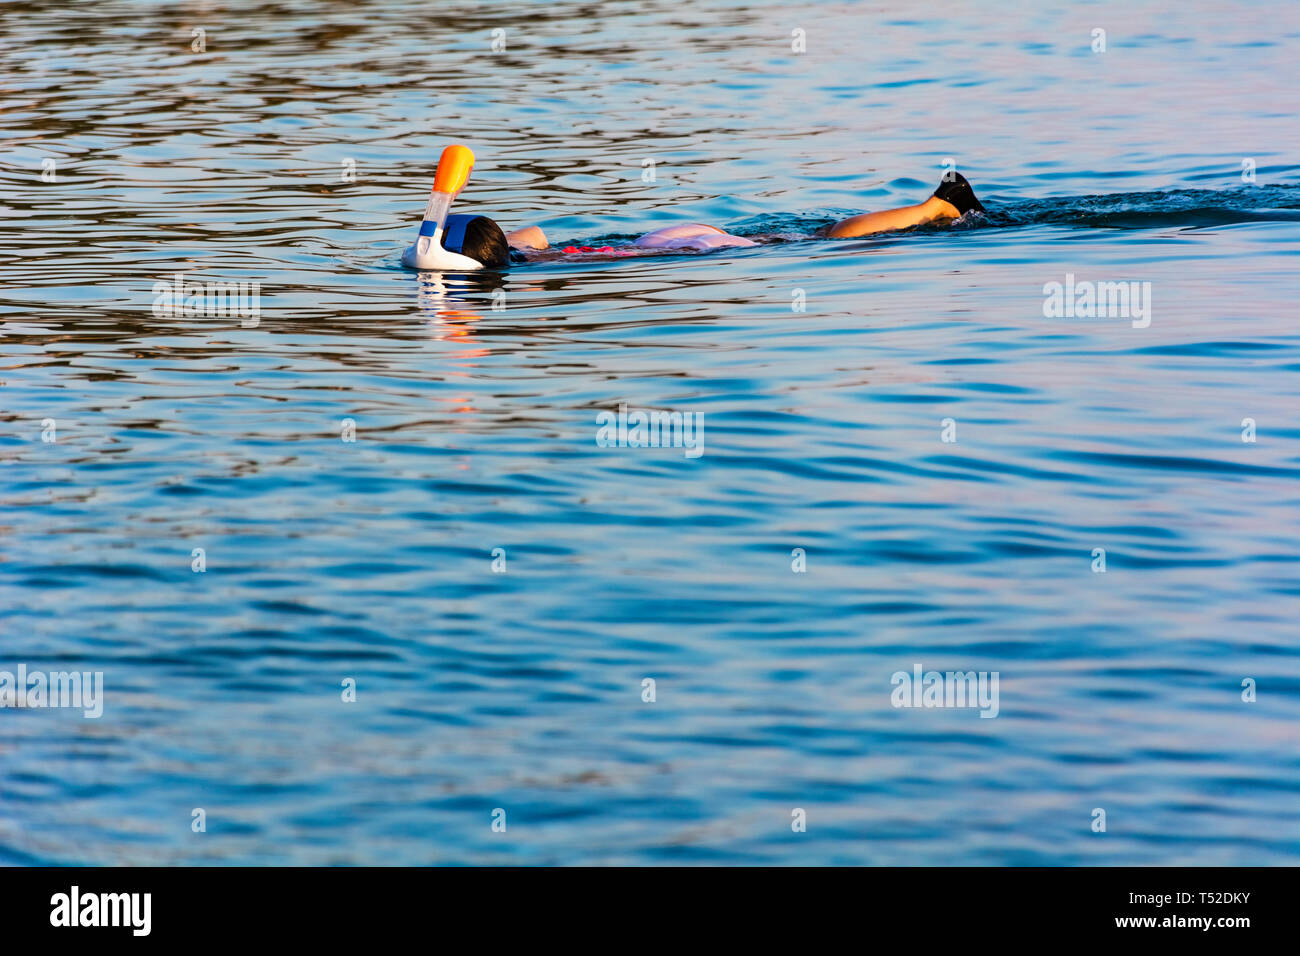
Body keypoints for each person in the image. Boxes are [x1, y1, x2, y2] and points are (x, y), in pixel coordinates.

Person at [504, 172, 986, 257]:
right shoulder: (527, 254)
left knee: (828, 240)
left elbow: (533, 235)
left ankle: (937, 206)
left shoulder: (531, 263)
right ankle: (940, 202)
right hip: (667, 238)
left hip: (686, 244)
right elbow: (535, 230)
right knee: (823, 236)